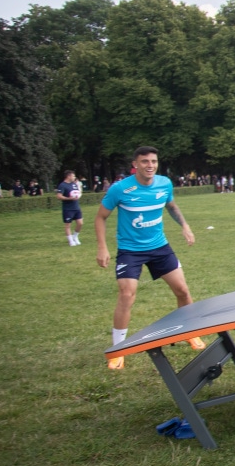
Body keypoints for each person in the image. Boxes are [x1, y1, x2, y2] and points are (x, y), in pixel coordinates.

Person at [95, 146, 205, 369]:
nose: (150, 165)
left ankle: (189, 332)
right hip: (130, 251)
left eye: (153, 161)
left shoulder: (164, 184)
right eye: (145, 161)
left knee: (183, 291)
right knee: (127, 295)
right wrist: (102, 248)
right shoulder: (120, 189)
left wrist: (185, 226)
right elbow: (100, 217)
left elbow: (171, 206)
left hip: (160, 247)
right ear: (135, 164)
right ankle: (118, 350)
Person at [55, 170, 84, 246]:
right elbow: (59, 196)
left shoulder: (74, 184)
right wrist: (69, 198)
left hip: (76, 207)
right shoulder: (62, 185)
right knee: (68, 225)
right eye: (73, 176)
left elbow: (78, 193)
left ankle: (75, 236)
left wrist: (78, 195)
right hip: (68, 208)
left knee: (80, 223)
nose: (74, 177)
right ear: (69, 176)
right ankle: (71, 241)